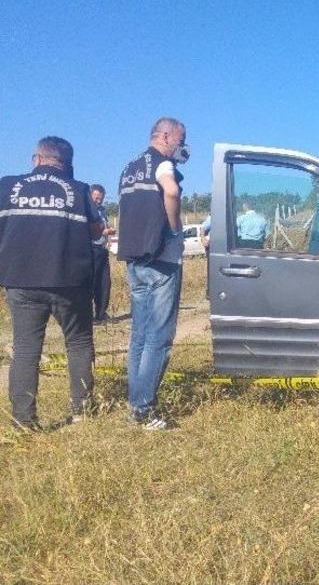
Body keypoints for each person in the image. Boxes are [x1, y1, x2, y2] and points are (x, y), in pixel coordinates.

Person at [0, 137, 104, 430]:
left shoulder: (6, 186)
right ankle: (82, 412)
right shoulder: (79, 190)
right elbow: (96, 230)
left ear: (37, 158)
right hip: (69, 280)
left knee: (25, 348)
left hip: (20, 280)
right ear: (67, 164)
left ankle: (23, 420)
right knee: (79, 342)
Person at [116, 117, 189, 430]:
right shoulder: (162, 165)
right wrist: (175, 229)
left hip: (135, 258)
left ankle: (136, 403)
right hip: (161, 259)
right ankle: (145, 410)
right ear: (165, 135)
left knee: (140, 337)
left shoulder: (129, 167)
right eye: (180, 140)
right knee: (159, 338)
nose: (181, 146)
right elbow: (171, 192)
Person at [89, 184, 114, 322]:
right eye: (97, 198)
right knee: (91, 283)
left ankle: (101, 313)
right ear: (91, 196)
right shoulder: (86, 211)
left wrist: (108, 232)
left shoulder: (102, 211)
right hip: (91, 249)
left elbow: (104, 227)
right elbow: (89, 229)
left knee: (104, 283)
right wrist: (105, 231)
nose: (99, 201)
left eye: (101, 198)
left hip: (102, 249)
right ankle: (87, 316)